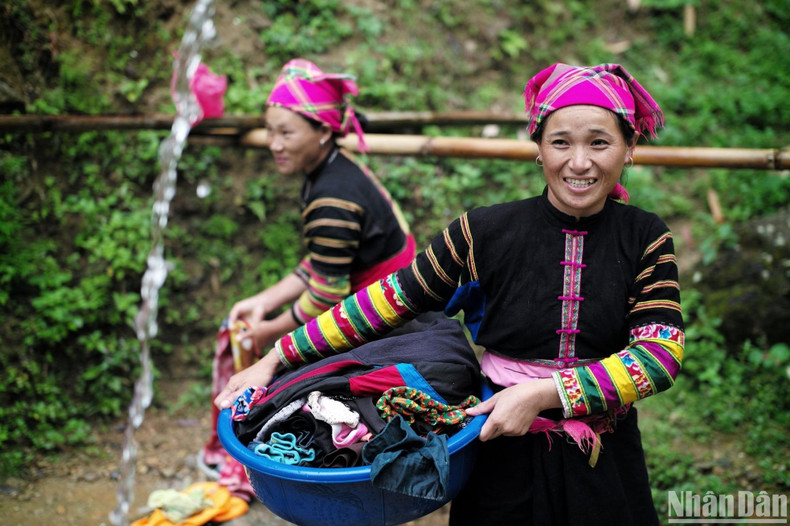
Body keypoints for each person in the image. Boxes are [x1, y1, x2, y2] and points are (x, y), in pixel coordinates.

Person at [216, 62, 684, 525]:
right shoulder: (483, 231)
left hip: (605, 452)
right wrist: (276, 356)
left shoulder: (645, 237)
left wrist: (545, 394)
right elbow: (386, 302)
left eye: (599, 142)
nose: (579, 162)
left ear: (628, 147)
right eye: (561, 142)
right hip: (499, 441)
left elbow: (660, 353)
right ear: (539, 147)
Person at [201, 58, 416, 491]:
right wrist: (266, 299)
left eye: (287, 132)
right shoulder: (335, 169)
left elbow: (326, 294)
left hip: (387, 319)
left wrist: (269, 338)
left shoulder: (332, 197)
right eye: (271, 131)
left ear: (322, 131)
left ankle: (273, 471)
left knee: (276, 382)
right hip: (378, 296)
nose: (274, 144)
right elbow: (325, 263)